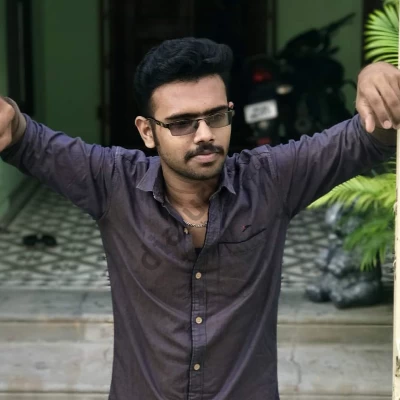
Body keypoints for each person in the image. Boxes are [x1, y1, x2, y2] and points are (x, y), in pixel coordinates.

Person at [0, 37, 398, 400]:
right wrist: (8, 117)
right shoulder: (114, 184)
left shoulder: (271, 181)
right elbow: (26, 139)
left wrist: (376, 77)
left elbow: (365, 139)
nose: (205, 133)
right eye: (182, 123)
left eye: (216, 116)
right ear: (147, 131)